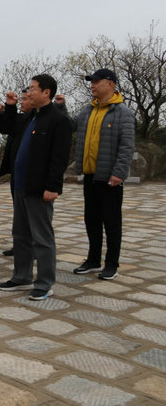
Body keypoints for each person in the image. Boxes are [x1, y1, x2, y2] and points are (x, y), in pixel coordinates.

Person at [0, 74, 72, 301]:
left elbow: (59, 158)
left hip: (40, 189)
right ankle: (21, 276)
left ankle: (44, 282)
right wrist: (10, 107)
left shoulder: (58, 120)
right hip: (21, 186)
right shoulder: (30, 117)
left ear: (46, 92)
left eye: (32, 88)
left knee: (42, 237)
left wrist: (53, 187)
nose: (28, 92)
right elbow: (6, 127)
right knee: (20, 234)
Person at [68, 68, 135, 281]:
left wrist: (119, 173)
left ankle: (112, 264)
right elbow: (70, 125)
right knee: (92, 219)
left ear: (111, 84)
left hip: (110, 178)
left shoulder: (122, 112)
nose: (92, 85)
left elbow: (127, 146)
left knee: (112, 222)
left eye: (97, 81)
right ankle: (93, 259)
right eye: (92, 81)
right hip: (90, 175)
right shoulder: (88, 110)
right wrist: (59, 107)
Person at [0, 88, 33, 257]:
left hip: (31, 174)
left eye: (25, 99)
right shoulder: (20, 118)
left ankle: (33, 246)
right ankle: (20, 244)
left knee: (31, 213)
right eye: (21, 99)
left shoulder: (38, 120)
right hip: (16, 172)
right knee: (19, 212)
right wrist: (7, 109)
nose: (22, 102)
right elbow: (5, 127)